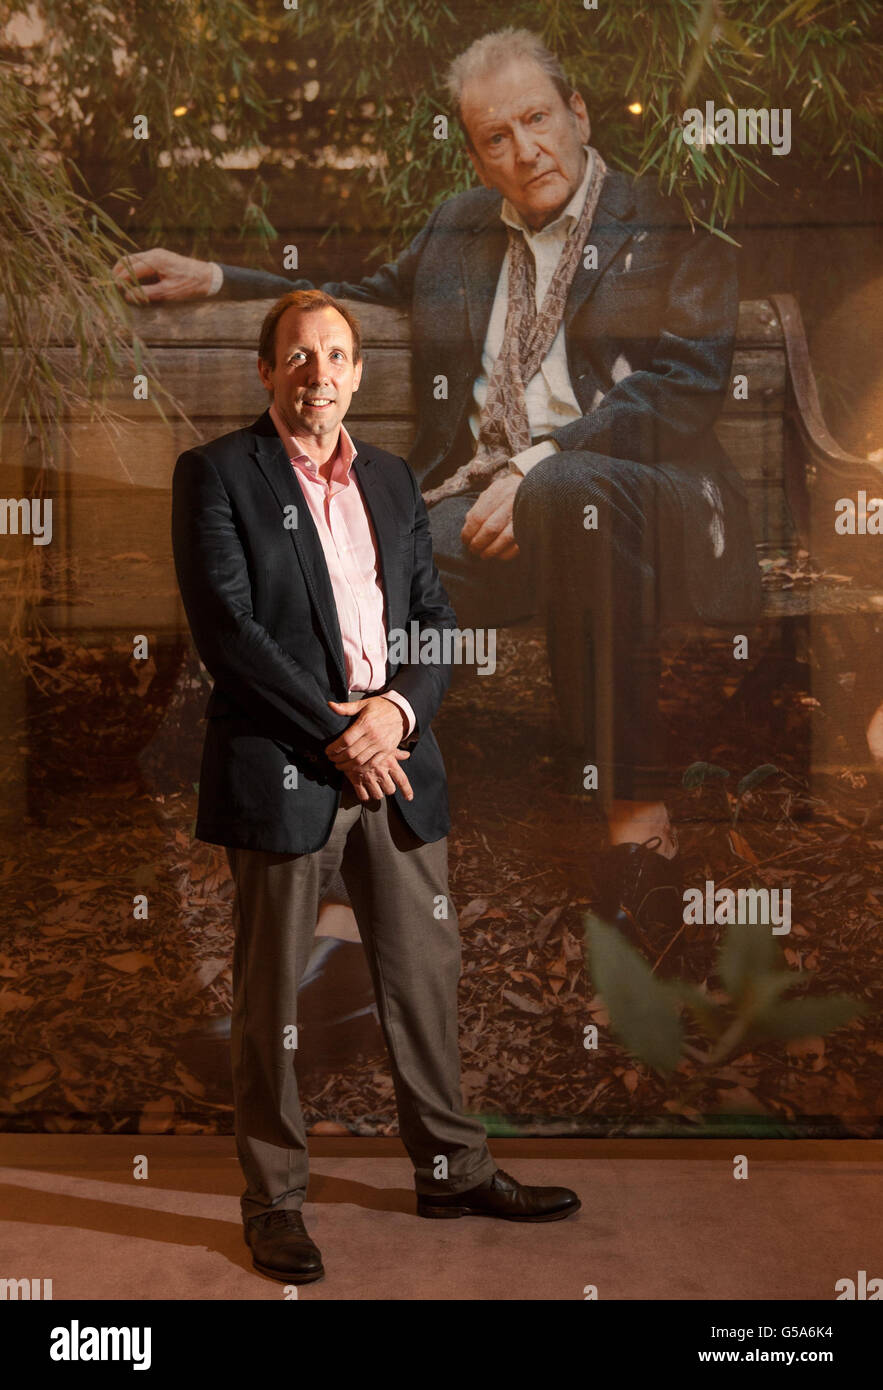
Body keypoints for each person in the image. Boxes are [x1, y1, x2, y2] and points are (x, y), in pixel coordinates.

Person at [125, 27, 764, 937]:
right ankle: (342, 897)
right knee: (346, 583)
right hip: (487, 513)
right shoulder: (461, 226)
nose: (524, 149)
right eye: (494, 137)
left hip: (642, 506)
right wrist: (220, 277)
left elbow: (687, 383)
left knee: (563, 493)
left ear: (576, 114)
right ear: (473, 152)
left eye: (537, 119)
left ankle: (640, 831)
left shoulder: (667, 218)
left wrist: (539, 463)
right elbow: (362, 293)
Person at [171, 288, 581, 1283]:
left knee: (423, 978)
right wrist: (335, 734)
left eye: (338, 356)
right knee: (274, 994)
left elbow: (433, 619)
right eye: (299, 356)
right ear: (267, 371)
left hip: (394, 760)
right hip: (284, 767)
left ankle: (449, 1166)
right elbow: (231, 636)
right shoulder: (218, 474)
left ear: (359, 372)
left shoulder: (394, 482)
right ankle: (273, 1202)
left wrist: (392, 717)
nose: (320, 374)